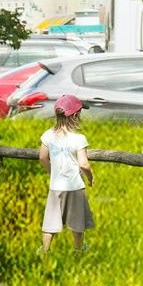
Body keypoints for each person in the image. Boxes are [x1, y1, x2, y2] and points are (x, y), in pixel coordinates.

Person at [38, 96, 95, 258]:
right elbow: (84, 164)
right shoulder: (79, 138)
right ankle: (78, 251)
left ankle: (45, 251)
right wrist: (90, 178)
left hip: (56, 186)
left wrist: (51, 172)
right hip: (75, 187)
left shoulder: (48, 135)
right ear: (75, 116)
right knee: (77, 222)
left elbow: (42, 157)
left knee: (51, 222)